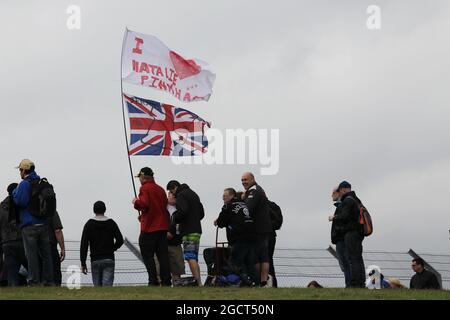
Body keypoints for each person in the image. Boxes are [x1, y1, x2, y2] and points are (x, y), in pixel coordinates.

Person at [12, 159, 54, 286]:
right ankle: (48, 281)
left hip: (29, 225)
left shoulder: (25, 184)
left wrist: (14, 193)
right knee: (47, 254)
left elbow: (20, 201)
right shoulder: (42, 182)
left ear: (24, 170)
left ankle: (34, 281)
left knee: (31, 255)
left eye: (20, 170)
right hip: (43, 223)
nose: (20, 172)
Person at [133, 167, 171, 286]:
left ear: (144, 177)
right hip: (162, 227)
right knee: (163, 256)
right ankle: (166, 281)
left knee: (148, 256)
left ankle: (153, 281)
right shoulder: (160, 189)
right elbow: (161, 206)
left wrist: (136, 202)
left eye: (140, 177)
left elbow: (144, 204)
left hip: (149, 228)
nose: (139, 179)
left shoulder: (144, 188)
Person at [215, 188, 257, 286]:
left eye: (225, 195)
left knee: (236, 263)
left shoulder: (227, 206)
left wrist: (219, 222)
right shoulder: (245, 205)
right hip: (251, 236)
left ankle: (239, 282)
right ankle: (254, 282)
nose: (223, 198)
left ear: (232, 196)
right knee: (249, 262)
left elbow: (221, 222)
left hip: (237, 237)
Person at [167, 180, 204, 286]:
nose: (172, 194)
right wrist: (194, 219)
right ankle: (199, 281)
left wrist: (175, 217)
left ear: (175, 187)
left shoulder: (181, 195)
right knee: (194, 257)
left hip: (188, 230)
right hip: (197, 230)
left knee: (190, 256)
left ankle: (198, 282)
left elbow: (183, 210)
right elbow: (201, 213)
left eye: (171, 191)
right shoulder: (194, 194)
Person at [330, 181, 365, 288]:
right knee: (356, 258)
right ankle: (359, 283)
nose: (339, 193)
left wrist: (334, 217)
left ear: (343, 189)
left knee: (352, 259)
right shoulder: (355, 199)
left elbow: (344, 216)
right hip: (357, 233)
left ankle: (354, 284)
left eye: (340, 191)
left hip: (351, 233)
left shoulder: (348, 201)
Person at [80, 201, 123, 286]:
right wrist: (112, 248)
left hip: (95, 259)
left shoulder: (89, 224)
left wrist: (83, 262)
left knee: (97, 288)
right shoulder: (111, 223)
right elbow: (120, 240)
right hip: (108, 258)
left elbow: (84, 245)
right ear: (105, 210)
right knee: (107, 288)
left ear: (94, 210)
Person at [241, 172, 273, 287]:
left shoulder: (254, 191)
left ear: (253, 179)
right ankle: (263, 281)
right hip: (262, 229)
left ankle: (262, 281)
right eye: (242, 180)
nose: (244, 182)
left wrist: (241, 202)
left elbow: (247, 209)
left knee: (257, 257)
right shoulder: (256, 190)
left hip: (259, 229)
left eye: (246, 179)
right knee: (262, 256)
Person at [0, 183, 28, 286]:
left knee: (12, 272)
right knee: (32, 267)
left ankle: (13, 289)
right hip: (21, 241)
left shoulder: (1, 207)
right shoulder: (21, 205)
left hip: (6, 243)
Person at [329, 186, 351, 288]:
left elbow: (343, 221)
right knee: (344, 264)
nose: (331, 195)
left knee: (346, 264)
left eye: (333, 192)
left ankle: (349, 284)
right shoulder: (340, 205)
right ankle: (349, 284)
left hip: (341, 239)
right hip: (340, 239)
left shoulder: (342, 205)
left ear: (339, 193)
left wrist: (338, 234)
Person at [167, 191, 186, 281]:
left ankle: (177, 284)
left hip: (176, 242)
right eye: (170, 195)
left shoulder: (181, 209)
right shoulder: (161, 208)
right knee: (159, 268)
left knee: (177, 268)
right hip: (162, 242)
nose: (172, 197)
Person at [46, 211, 65, 286]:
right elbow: (58, 230)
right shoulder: (52, 212)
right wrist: (62, 248)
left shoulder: (32, 211)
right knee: (55, 272)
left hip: (35, 247)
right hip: (50, 246)